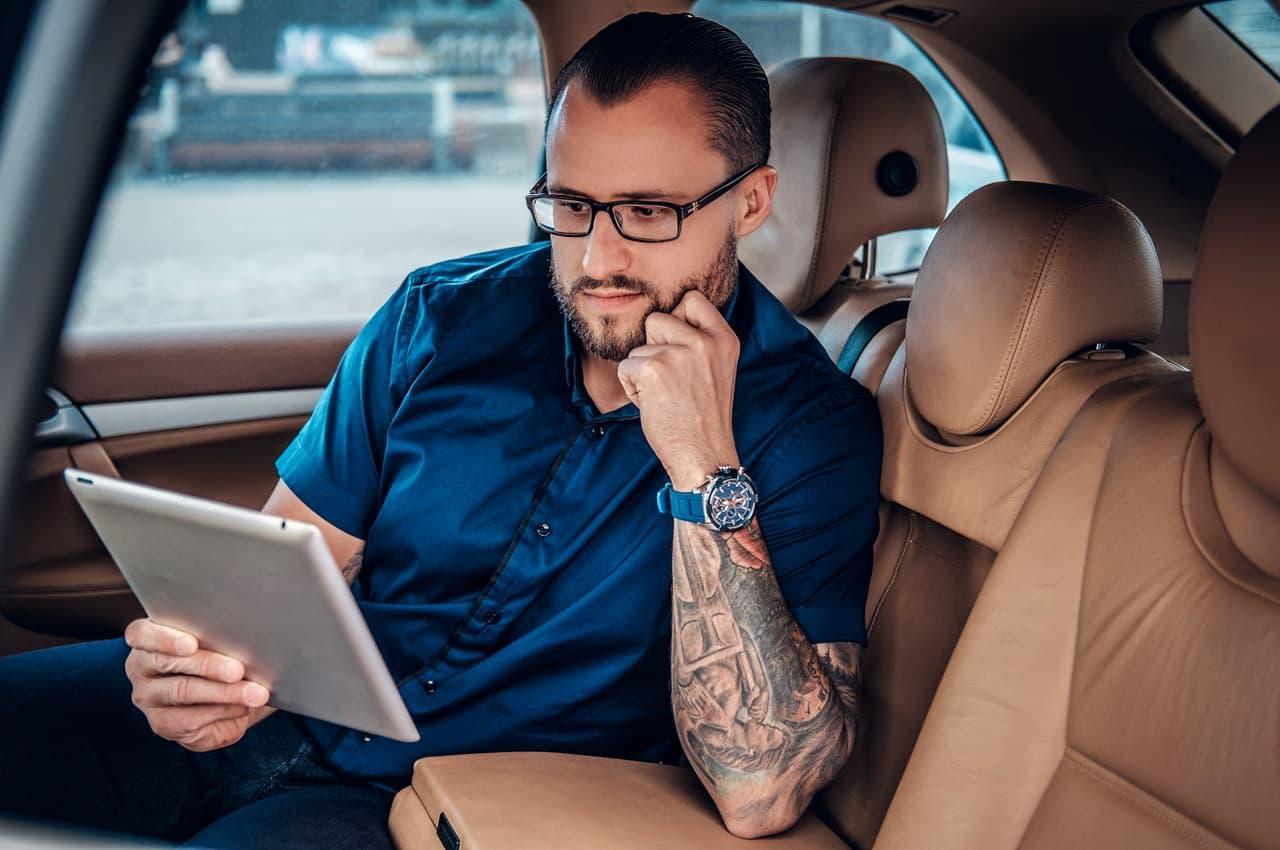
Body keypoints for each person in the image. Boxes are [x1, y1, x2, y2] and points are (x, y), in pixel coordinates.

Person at [0, 12, 880, 847]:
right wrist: (201, 675)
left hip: (434, 812)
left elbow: (763, 787)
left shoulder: (813, 429)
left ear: (753, 201)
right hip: (282, 718)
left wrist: (701, 464)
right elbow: (286, 565)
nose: (598, 259)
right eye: (570, 205)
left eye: (648, 213)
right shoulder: (440, 317)